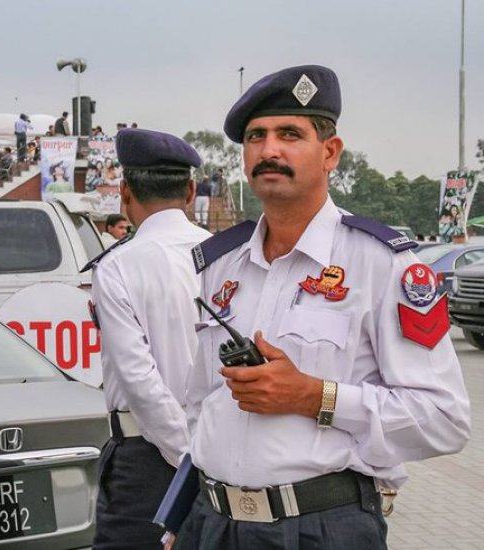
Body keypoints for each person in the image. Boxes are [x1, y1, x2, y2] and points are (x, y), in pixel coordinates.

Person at [174, 65, 470, 550]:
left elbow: (443, 419)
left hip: (319, 528)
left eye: (290, 134)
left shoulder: (382, 264)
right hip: (212, 525)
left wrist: (316, 396)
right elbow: (201, 402)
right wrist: (186, 514)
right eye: (256, 137)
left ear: (330, 152)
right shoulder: (220, 264)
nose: (269, 150)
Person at [81, 128, 211, 549]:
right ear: (190, 192)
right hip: (222, 453)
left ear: (125, 192)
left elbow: (140, 381)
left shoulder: (117, 266)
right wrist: (205, 460)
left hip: (148, 459)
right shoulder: (228, 255)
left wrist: (189, 462)